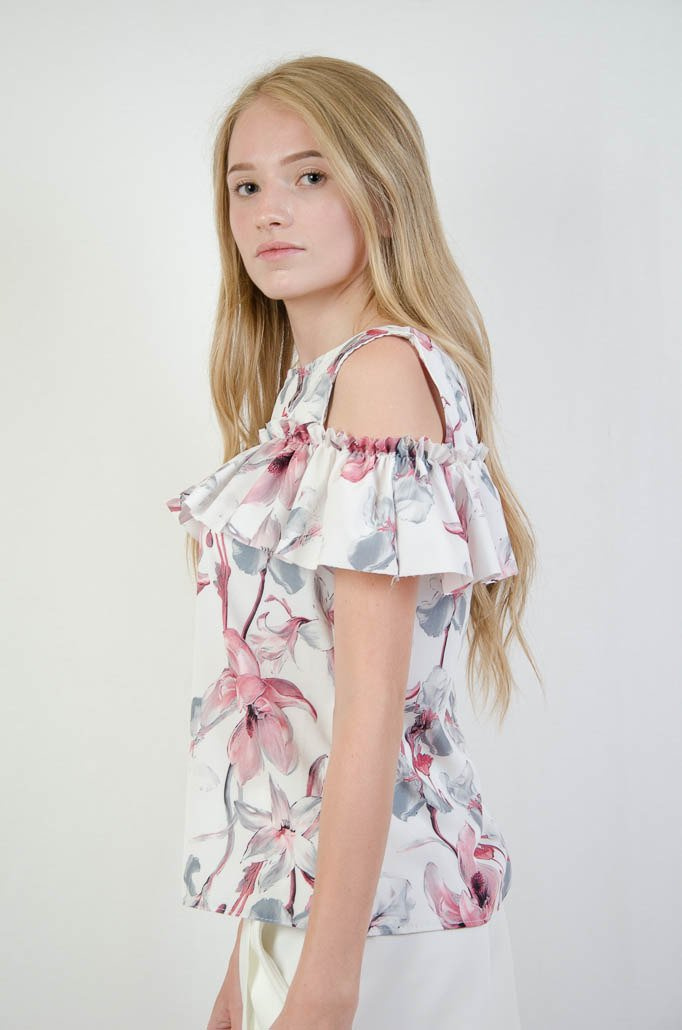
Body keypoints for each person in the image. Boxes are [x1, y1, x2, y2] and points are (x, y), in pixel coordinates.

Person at [166, 55, 540, 1030]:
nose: (269, 212)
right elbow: (309, 733)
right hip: (315, 915)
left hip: (384, 936)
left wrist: (326, 985)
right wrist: (249, 962)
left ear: (381, 193)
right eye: (246, 186)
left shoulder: (380, 377)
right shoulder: (313, 391)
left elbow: (371, 713)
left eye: (309, 174)